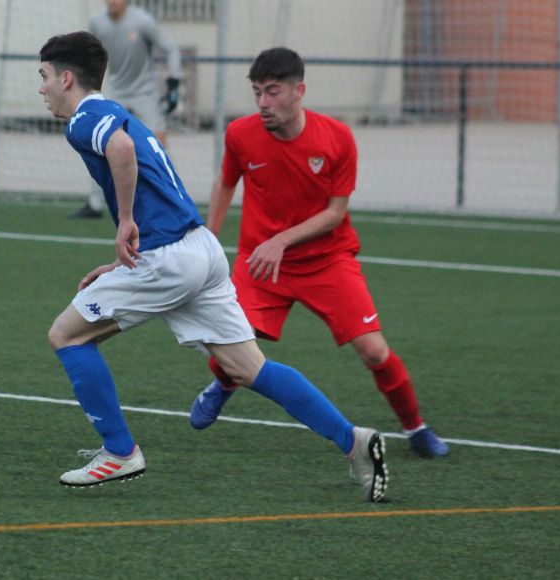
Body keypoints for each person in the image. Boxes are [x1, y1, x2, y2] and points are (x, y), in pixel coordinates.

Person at [38, 31, 389, 502]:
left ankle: (119, 452)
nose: (41, 89)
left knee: (66, 334)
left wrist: (124, 223)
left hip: (168, 259)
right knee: (247, 367)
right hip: (199, 249)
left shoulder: (84, 120)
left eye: (43, 77)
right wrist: (122, 262)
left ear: (66, 78)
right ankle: (355, 442)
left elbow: (120, 152)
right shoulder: (116, 111)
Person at [188, 47, 449, 459]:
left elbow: (335, 213)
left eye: (272, 92)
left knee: (375, 351)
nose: (262, 103)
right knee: (232, 345)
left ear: (299, 91)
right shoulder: (240, 133)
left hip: (327, 260)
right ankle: (222, 386)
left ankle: (416, 428)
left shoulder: (337, 137)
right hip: (260, 262)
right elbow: (225, 184)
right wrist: (208, 239)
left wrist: (281, 240)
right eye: (257, 92)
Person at [72, 0, 182, 219]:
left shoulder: (143, 21)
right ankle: (95, 204)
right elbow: (86, 55)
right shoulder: (97, 22)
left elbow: (171, 50)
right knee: (100, 144)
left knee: (157, 145)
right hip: (116, 91)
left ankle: (175, 199)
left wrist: (173, 82)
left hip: (144, 94)